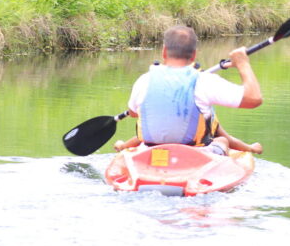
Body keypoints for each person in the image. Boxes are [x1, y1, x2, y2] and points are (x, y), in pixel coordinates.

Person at [113, 25, 263, 156]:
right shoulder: (204, 81)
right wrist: (243, 63)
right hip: (195, 156)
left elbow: (133, 113)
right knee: (222, 140)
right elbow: (254, 99)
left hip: (148, 154)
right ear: (194, 55)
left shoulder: (144, 80)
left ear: (164, 52)